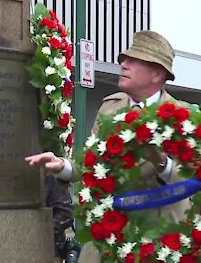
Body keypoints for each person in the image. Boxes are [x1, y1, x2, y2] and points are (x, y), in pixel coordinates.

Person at [26, 30, 191, 262]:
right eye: (125, 59)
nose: (123, 64)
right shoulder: (109, 107)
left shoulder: (182, 115)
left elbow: (192, 181)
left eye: (134, 60)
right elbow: (94, 165)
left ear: (157, 73)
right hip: (108, 235)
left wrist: (160, 161)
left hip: (158, 240)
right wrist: (61, 165)